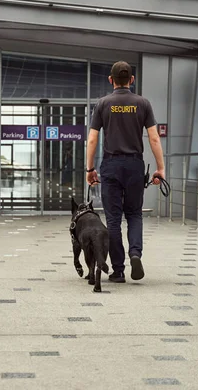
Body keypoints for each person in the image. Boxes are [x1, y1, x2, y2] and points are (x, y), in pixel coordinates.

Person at [85, 61, 165, 283]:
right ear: (131, 80)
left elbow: (92, 138)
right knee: (134, 214)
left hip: (111, 165)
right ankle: (135, 254)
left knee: (113, 220)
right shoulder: (143, 103)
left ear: (111, 80)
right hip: (134, 165)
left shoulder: (102, 104)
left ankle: (118, 270)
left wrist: (90, 169)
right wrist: (160, 168)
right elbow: (154, 137)